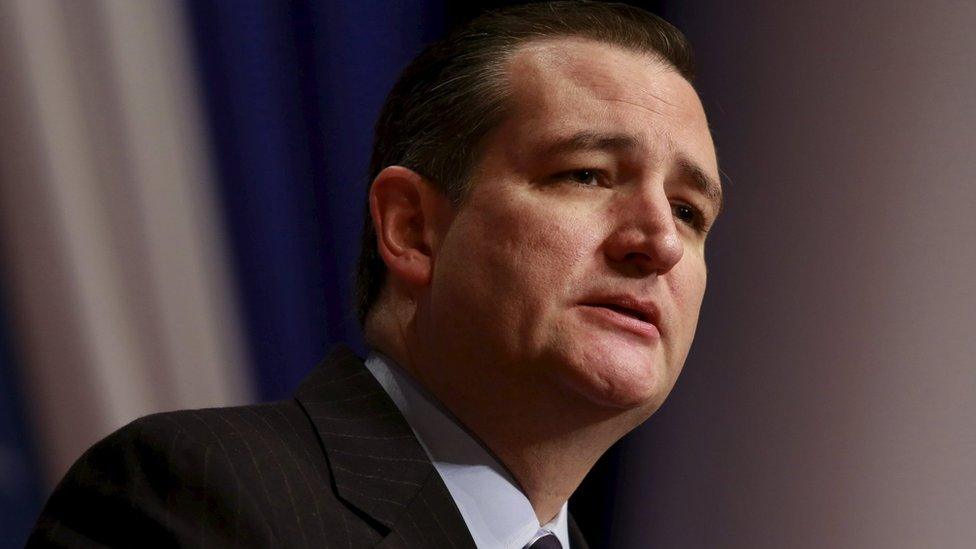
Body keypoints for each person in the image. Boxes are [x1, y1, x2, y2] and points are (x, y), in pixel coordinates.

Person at [29, 1, 722, 547]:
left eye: (689, 212)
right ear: (412, 228)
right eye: (587, 174)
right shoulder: (199, 495)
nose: (658, 239)